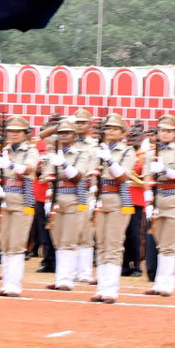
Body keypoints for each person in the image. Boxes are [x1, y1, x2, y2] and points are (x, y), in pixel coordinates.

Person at [92, 114, 137, 304]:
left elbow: (122, 177)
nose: (110, 131)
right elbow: (93, 173)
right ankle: (101, 288)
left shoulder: (127, 152)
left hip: (119, 199)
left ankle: (111, 289)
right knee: (101, 243)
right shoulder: (98, 149)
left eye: (115, 128)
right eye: (108, 128)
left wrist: (109, 160)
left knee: (114, 243)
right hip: (101, 197)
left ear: (123, 133)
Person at [44, 118, 93, 291]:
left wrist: (63, 165)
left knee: (69, 239)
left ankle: (66, 279)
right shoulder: (54, 153)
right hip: (56, 198)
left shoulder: (81, 153)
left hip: (74, 198)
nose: (64, 136)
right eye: (61, 133)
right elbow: (47, 176)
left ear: (74, 136)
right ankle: (61, 277)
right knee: (57, 239)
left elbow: (78, 176)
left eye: (67, 133)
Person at [143, 115, 175, 296]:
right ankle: (159, 282)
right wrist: (148, 200)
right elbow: (147, 177)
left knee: (170, 243)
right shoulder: (151, 153)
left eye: (169, 131)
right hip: (157, 197)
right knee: (160, 243)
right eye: (162, 130)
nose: (165, 134)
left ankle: (167, 282)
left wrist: (165, 170)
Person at [0, 115, 40, 297]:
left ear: (26, 134)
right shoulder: (3, 150)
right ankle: (6, 283)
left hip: (23, 200)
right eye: (10, 131)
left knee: (17, 242)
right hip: (5, 198)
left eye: (17, 131)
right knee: (5, 243)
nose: (13, 134)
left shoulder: (30, 150)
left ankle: (14, 284)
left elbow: (29, 169)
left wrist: (11, 165)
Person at [70, 108, 99, 283]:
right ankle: (70, 271)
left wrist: (95, 194)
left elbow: (94, 172)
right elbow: (44, 136)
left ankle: (85, 272)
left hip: (86, 190)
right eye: (77, 122)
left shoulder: (94, 146)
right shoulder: (65, 141)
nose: (79, 125)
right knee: (69, 232)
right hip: (68, 191)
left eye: (83, 122)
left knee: (86, 232)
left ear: (90, 124)